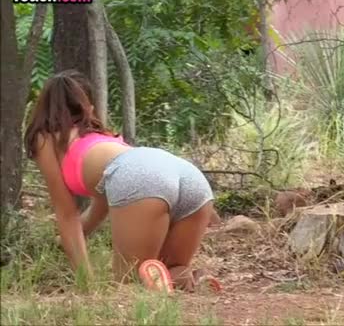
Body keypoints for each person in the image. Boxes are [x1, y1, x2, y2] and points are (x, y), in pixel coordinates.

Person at [24, 69, 220, 292]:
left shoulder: (44, 138)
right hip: (186, 174)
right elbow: (103, 203)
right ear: (89, 107)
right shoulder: (105, 137)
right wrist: (69, 239)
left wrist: (87, 284)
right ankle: (194, 280)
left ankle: (155, 283)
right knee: (168, 268)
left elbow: (67, 214)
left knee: (130, 286)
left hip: (140, 178)